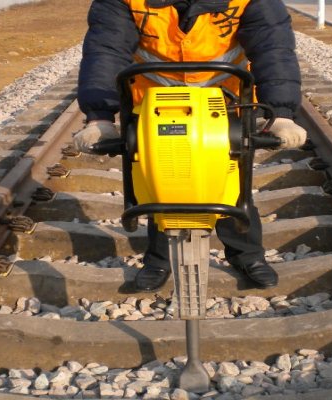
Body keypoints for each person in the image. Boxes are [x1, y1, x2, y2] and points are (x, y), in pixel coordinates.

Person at [74, 0, 307, 292]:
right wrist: (100, 117)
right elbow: (107, 48)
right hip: (156, 105)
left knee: (231, 180)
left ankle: (247, 255)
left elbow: (272, 49)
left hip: (224, 104)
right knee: (157, 178)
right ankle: (159, 259)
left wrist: (282, 114)